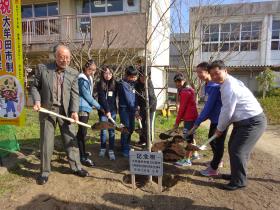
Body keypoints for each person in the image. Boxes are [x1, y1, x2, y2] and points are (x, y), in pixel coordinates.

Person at [31, 44, 89, 185]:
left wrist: (74, 111)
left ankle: (76, 167)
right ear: (55, 56)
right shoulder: (43, 69)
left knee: (71, 139)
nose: (65, 60)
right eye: (62, 57)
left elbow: (75, 94)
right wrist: (37, 101)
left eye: (67, 57)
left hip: (66, 111)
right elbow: (34, 86)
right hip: (47, 110)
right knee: (46, 142)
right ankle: (44, 172)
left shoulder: (73, 73)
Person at [208, 60, 267, 190]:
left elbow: (227, 111)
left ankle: (239, 181)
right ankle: (236, 175)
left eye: (217, 73)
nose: (214, 77)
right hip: (243, 122)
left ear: (225, 71)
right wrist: (221, 128)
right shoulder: (226, 83)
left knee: (238, 150)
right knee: (233, 147)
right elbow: (229, 112)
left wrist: (219, 129)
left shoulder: (230, 87)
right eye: (212, 75)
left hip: (252, 122)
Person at [188, 62, 228, 176]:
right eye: (197, 72)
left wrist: (196, 124)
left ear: (207, 72)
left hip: (221, 118)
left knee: (217, 141)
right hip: (215, 118)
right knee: (212, 138)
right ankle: (217, 161)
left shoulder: (214, 87)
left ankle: (215, 165)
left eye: (200, 72)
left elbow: (208, 108)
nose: (198, 75)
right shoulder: (208, 85)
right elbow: (208, 106)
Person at [76, 59, 102, 167]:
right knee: (82, 133)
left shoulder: (89, 78)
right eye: (91, 69)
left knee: (83, 133)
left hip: (86, 107)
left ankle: (81, 152)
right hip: (82, 107)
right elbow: (86, 95)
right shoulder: (81, 79)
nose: (93, 72)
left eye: (94, 70)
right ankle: (82, 157)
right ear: (86, 68)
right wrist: (99, 106)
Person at [173, 73, 199, 167]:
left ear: (184, 80)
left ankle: (187, 160)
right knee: (191, 136)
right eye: (176, 82)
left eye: (180, 81)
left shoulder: (185, 92)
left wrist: (176, 122)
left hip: (189, 118)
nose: (178, 83)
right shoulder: (190, 89)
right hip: (193, 116)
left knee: (188, 138)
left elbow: (182, 108)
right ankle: (195, 154)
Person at [97, 65, 118, 160]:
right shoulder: (99, 84)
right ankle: (102, 148)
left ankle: (111, 150)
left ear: (112, 74)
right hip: (103, 112)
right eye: (105, 73)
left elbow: (115, 98)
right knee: (103, 131)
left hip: (112, 111)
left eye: (110, 73)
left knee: (112, 131)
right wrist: (106, 111)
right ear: (102, 74)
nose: (108, 75)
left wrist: (111, 111)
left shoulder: (115, 84)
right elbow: (101, 98)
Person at [118, 66, 138, 157]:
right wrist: (135, 109)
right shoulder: (123, 84)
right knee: (125, 128)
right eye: (132, 77)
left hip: (132, 109)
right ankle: (124, 148)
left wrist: (136, 108)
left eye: (135, 77)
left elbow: (135, 97)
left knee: (132, 128)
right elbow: (129, 99)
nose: (134, 78)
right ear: (127, 75)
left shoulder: (133, 84)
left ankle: (126, 144)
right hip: (124, 109)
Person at [135, 66, 157, 146]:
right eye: (141, 76)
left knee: (149, 125)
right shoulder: (137, 84)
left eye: (145, 76)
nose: (143, 78)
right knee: (141, 124)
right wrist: (137, 110)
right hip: (142, 107)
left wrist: (145, 110)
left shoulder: (149, 83)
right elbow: (136, 97)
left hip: (151, 107)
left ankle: (149, 142)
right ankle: (142, 140)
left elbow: (152, 99)